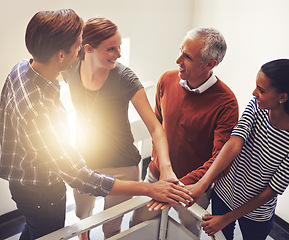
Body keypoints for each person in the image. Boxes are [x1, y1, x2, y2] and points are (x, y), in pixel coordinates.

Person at [0, 10, 193, 240]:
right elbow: (79, 176)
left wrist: (166, 169)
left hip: (103, 167)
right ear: (65, 55)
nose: (80, 49)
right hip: (64, 176)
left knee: (103, 228)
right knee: (70, 224)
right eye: (78, 45)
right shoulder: (48, 97)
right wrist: (149, 188)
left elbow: (155, 127)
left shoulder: (22, 69)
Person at [60, 17, 177, 240]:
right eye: (111, 48)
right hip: (84, 162)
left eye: (120, 46)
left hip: (123, 165)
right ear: (88, 49)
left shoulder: (124, 77)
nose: (119, 54)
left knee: (111, 228)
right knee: (83, 218)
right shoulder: (70, 67)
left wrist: (167, 168)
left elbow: (156, 128)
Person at [130, 27, 239, 237]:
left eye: (187, 57)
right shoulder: (166, 80)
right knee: (136, 226)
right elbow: (157, 128)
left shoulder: (227, 103)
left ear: (210, 64)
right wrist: (162, 171)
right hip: (157, 176)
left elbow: (220, 158)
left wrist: (179, 187)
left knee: (188, 233)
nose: (178, 59)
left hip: (193, 189)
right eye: (181, 50)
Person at [191, 59, 289, 239]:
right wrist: (202, 184)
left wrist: (226, 219)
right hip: (224, 194)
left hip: (256, 213)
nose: (254, 93)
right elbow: (234, 142)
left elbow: (272, 189)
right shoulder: (256, 106)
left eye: (261, 90)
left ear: (282, 97)